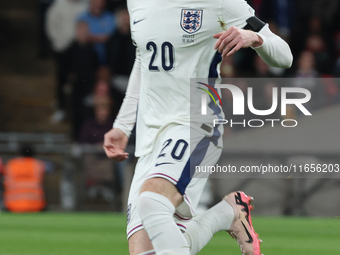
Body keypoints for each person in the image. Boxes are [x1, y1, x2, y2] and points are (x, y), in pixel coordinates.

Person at [103, 1, 293, 254]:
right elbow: (144, 58)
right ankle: (228, 212)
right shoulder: (138, 3)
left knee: (151, 201)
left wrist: (255, 38)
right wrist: (123, 125)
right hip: (152, 137)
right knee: (146, 249)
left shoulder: (223, 4)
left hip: (196, 123)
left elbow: (285, 56)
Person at [46, 0, 88, 123]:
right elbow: (51, 25)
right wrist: (58, 42)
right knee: (62, 79)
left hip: (80, 49)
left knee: (78, 79)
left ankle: (76, 110)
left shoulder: (84, 6)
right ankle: (61, 108)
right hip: (62, 49)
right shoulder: (58, 5)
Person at [3, 145, 46, 213]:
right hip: (36, 205)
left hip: (12, 205)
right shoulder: (38, 164)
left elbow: (6, 182)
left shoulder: (11, 164)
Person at [78, 0, 116, 64]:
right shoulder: (82, 18)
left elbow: (110, 37)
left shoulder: (110, 18)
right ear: (90, 2)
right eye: (95, 2)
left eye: (100, 2)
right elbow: (81, 39)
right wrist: (100, 38)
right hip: (86, 58)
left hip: (107, 58)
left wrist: (90, 38)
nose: (98, 5)